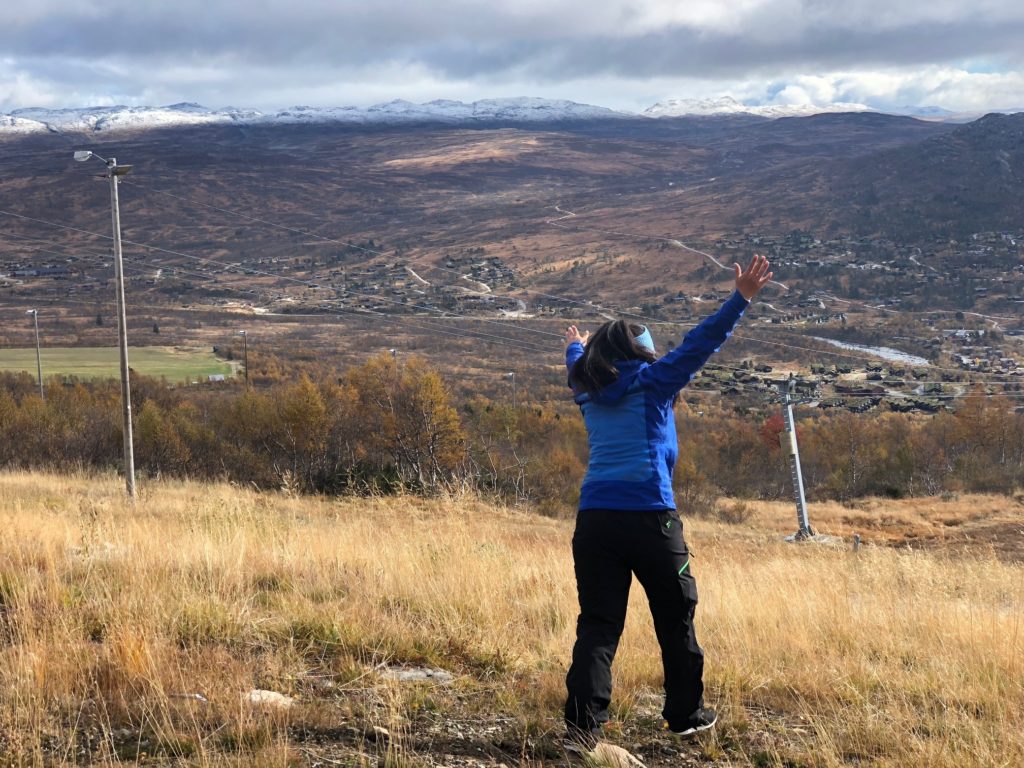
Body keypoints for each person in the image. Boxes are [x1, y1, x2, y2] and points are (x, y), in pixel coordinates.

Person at [562, 254, 773, 755]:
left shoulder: (583, 388)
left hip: (594, 522)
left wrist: (574, 343)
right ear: (643, 353)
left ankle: (581, 729)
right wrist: (740, 299)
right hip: (653, 521)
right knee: (676, 618)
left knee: (598, 624)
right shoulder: (653, 383)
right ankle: (685, 715)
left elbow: (576, 362)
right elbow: (701, 343)